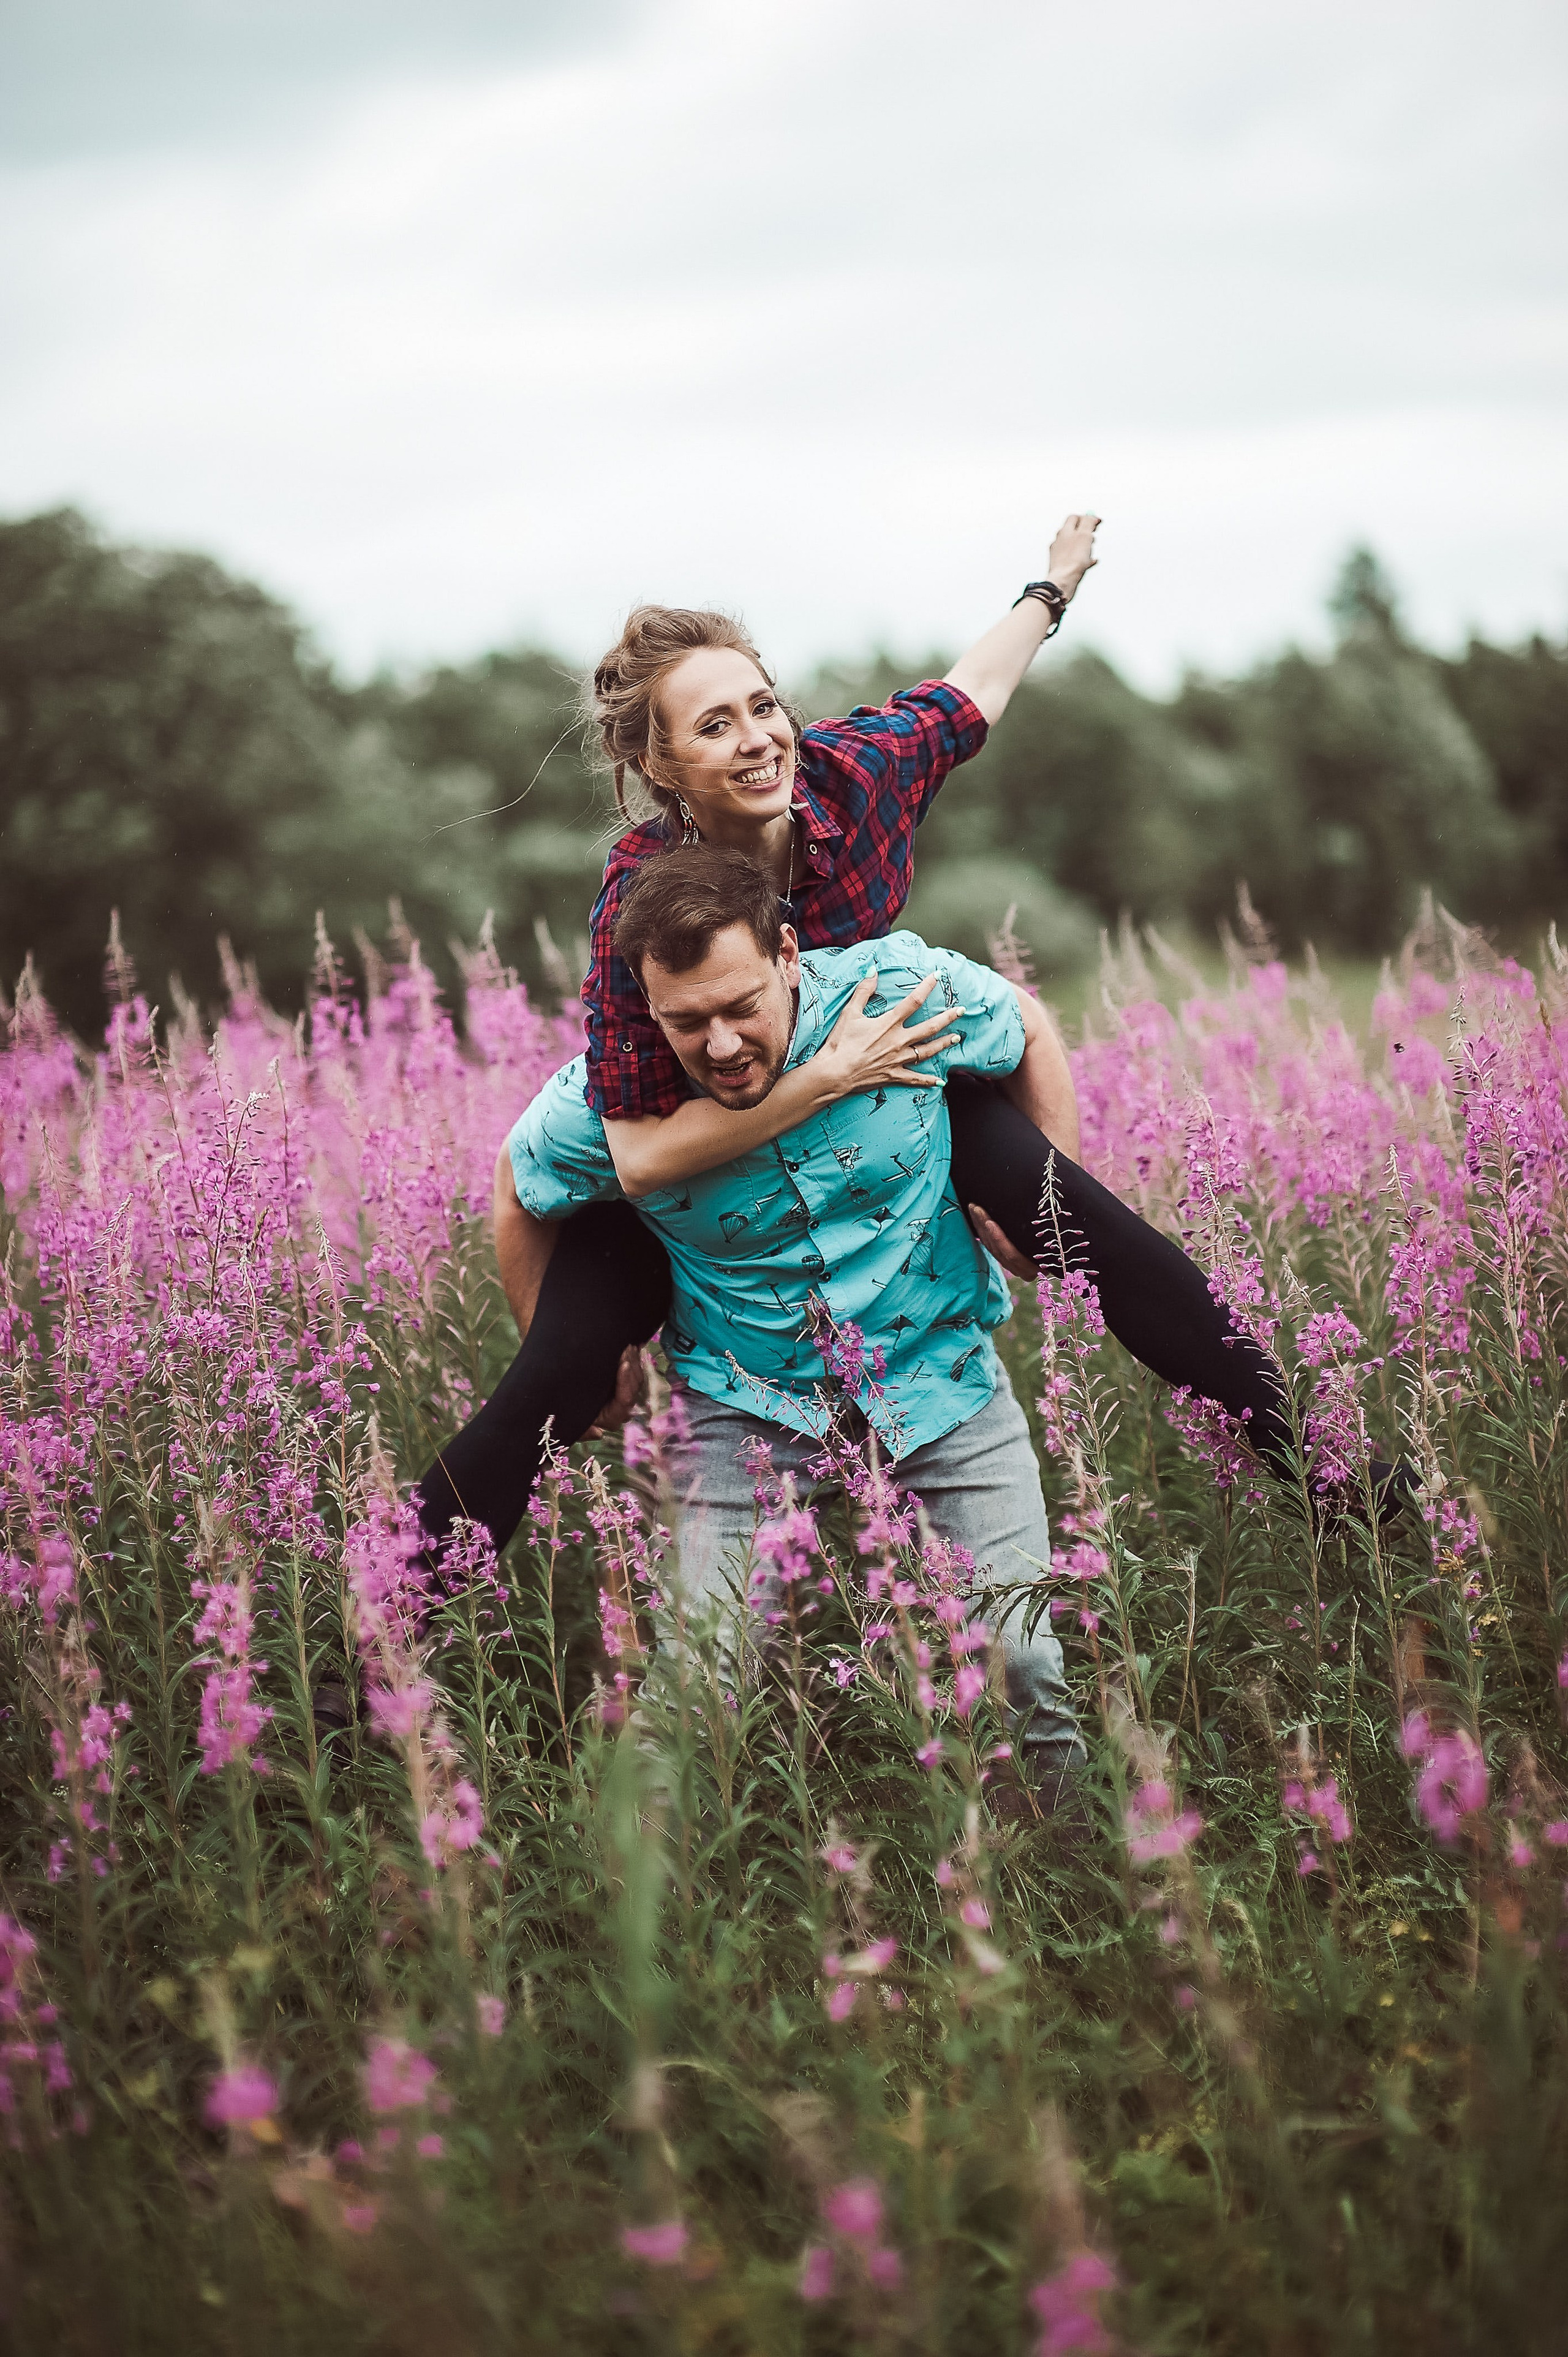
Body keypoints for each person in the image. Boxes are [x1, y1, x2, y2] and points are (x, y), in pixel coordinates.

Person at [416, 518, 1297, 1567]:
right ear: (660, 765)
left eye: (763, 707)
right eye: (714, 728)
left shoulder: (851, 776)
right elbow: (640, 1151)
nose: (755, 739)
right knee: (556, 1370)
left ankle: (1315, 1468)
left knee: (1089, 1228)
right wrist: (823, 1074)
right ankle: (384, 1627)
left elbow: (972, 695)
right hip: (710, 1138)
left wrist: (1051, 592)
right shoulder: (638, 907)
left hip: (888, 1095)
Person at [507, 843, 1083, 1781]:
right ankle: (644, 1906)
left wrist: (1048, 1211)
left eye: (742, 1008)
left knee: (1020, 1658)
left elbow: (1028, 1025)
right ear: (646, 1004)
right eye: (687, 1022)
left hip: (940, 1379)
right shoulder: (615, 1107)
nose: (723, 1045)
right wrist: (561, 1355)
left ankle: (1067, 1882)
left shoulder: (894, 994)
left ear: (785, 954)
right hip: (743, 1403)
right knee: (699, 1687)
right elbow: (519, 1181)